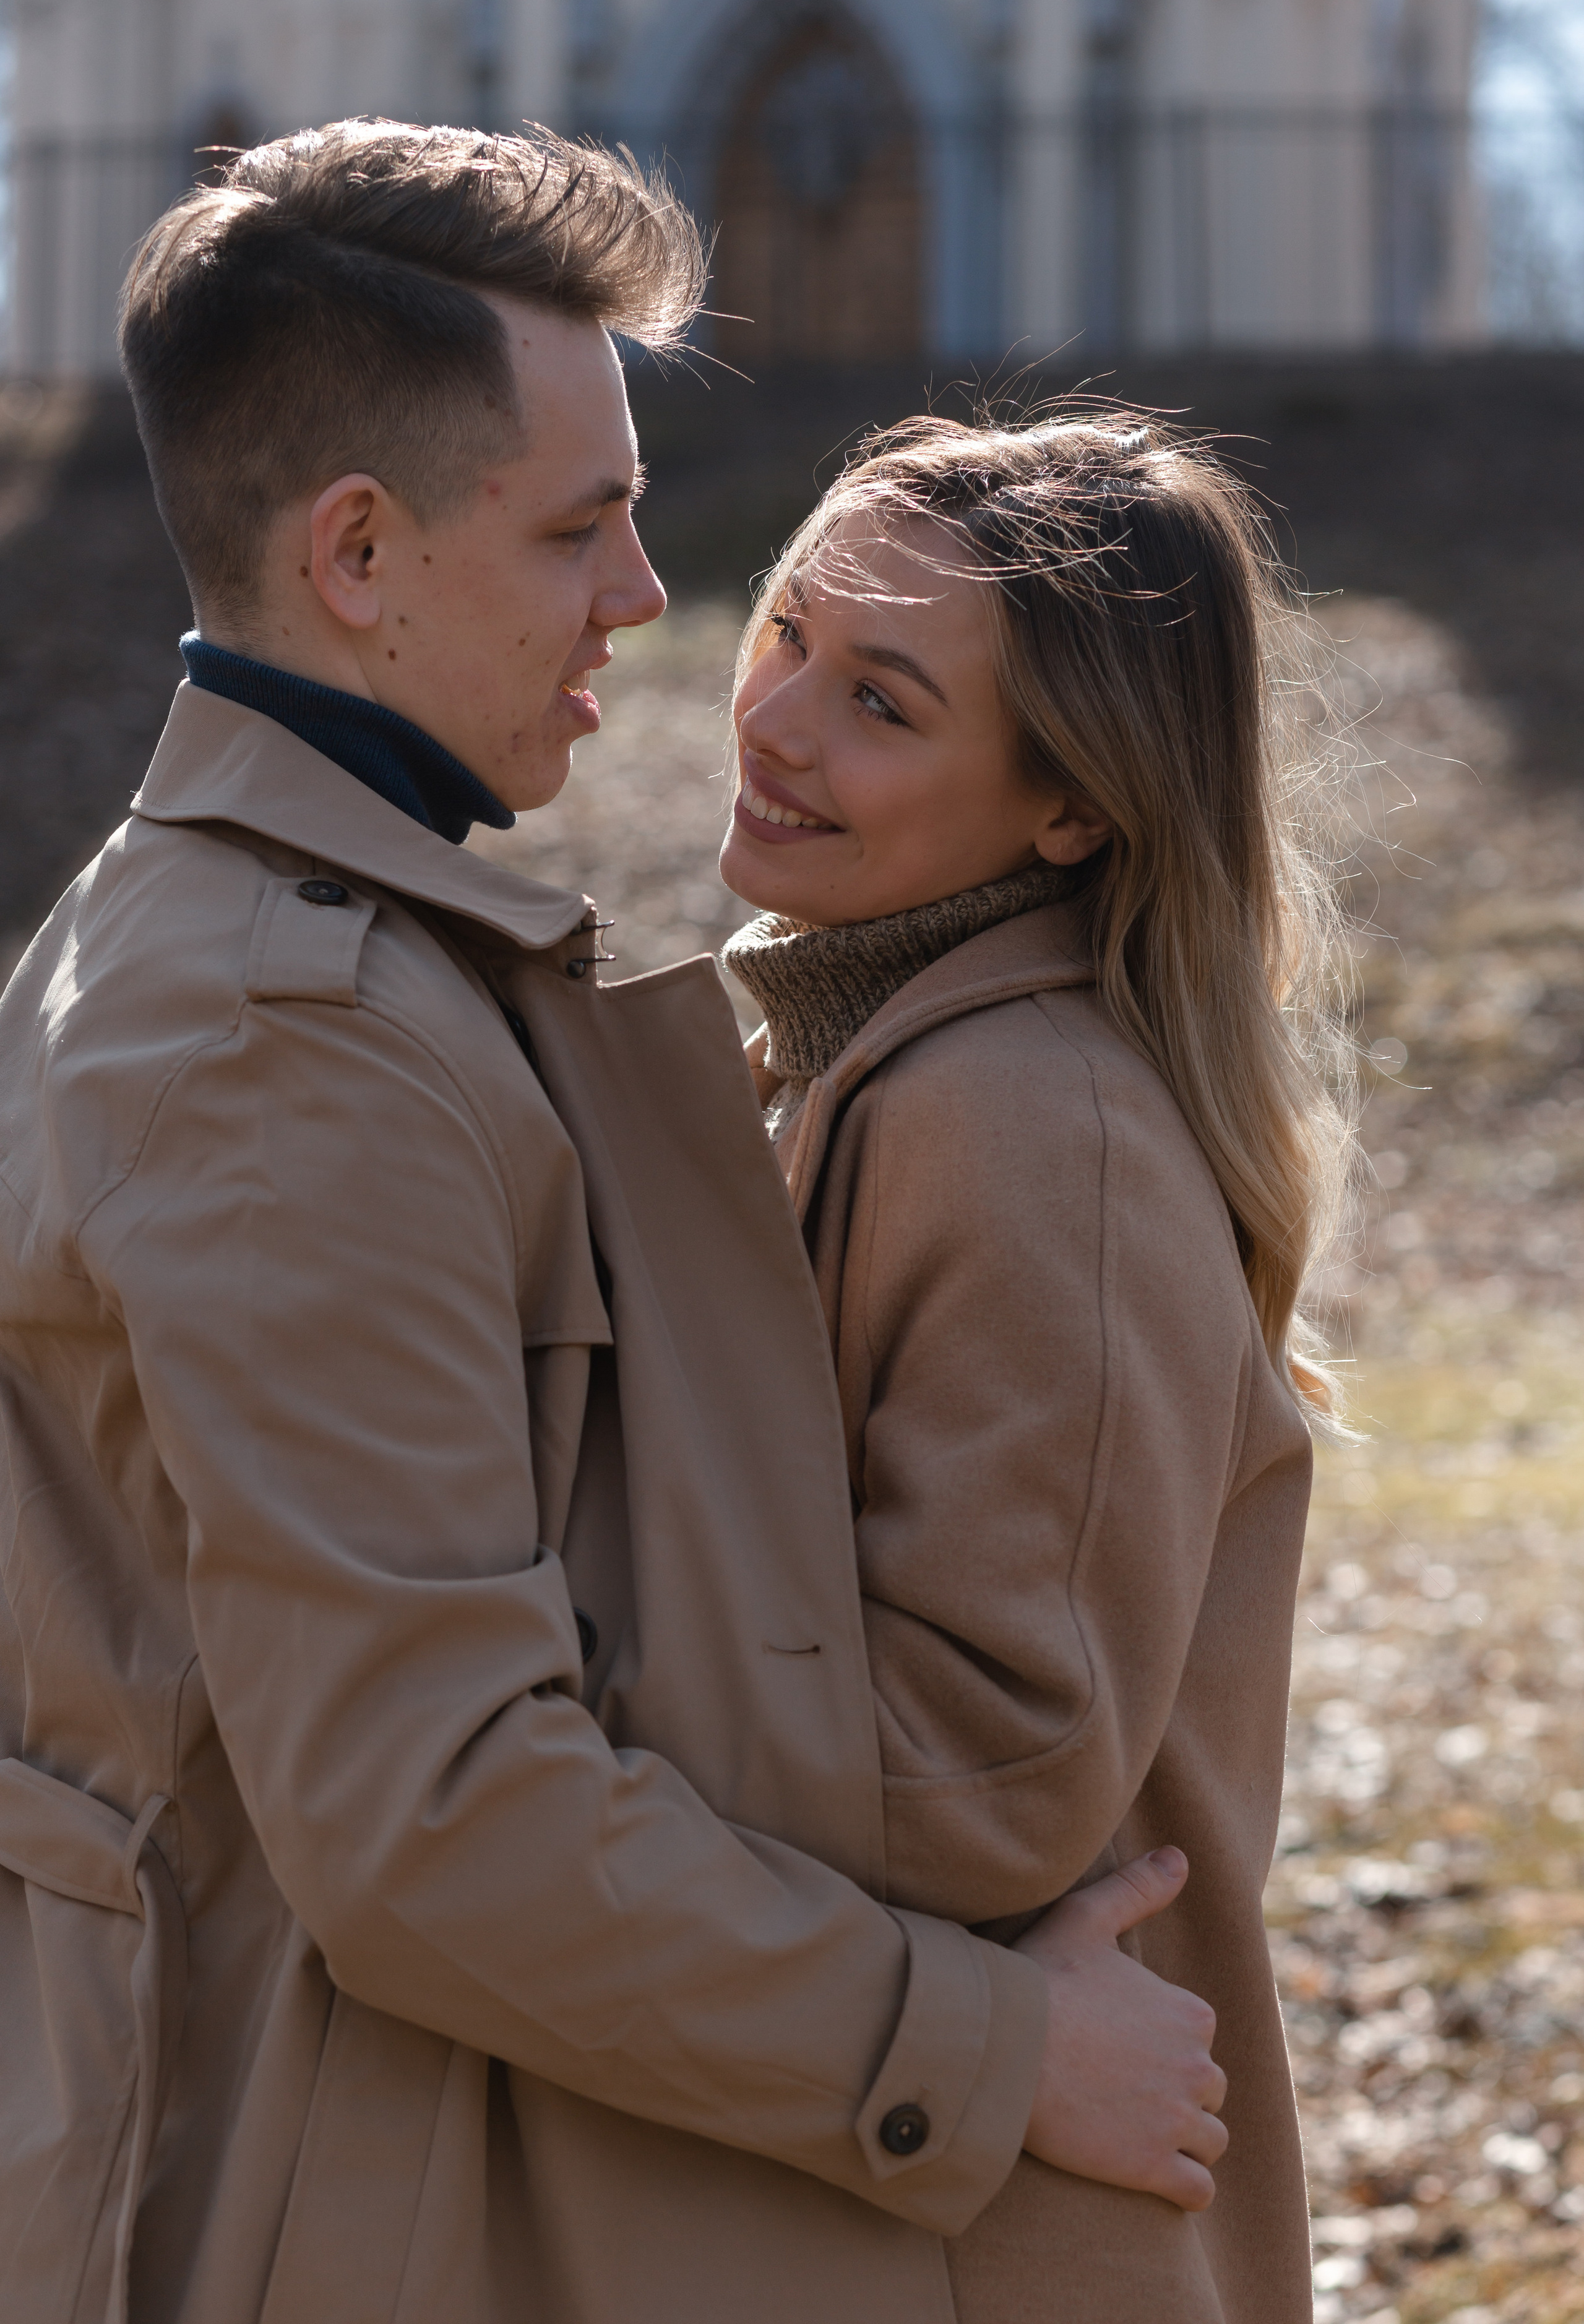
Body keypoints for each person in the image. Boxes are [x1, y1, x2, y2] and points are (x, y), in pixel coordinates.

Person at [0, 125, 1225, 2324]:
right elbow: (442, 1813)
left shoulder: (277, 945)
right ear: (359, 550)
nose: (651, 601)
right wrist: (995, 2049)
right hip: (310, 2183)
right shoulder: (292, 1032)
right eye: (584, 525)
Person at [720, 410, 1356, 2324]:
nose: (775, 721)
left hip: (1000, 2244)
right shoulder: (874, 1053)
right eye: (787, 636)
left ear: (1071, 808)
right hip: (920, 2179)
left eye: (885, 703)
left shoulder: (1023, 1129)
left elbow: (988, 1765)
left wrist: (505, 1743)